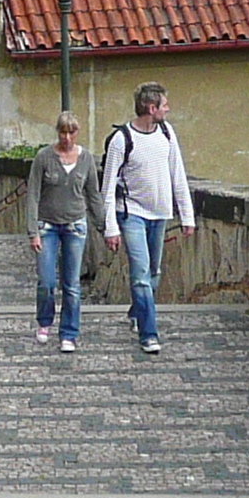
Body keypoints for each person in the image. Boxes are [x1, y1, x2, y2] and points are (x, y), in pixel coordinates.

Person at [97, 82, 195, 355]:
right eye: (164, 105)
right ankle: (148, 334)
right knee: (140, 275)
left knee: (153, 274)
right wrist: (109, 228)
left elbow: (178, 173)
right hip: (132, 214)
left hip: (160, 214)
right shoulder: (122, 140)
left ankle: (136, 312)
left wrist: (187, 216)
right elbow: (107, 186)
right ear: (151, 108)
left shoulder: (166, 133)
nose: (168, 109)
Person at [27, 112, 90, 351]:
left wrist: (106, 227)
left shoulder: (86, 160)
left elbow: (92, 195)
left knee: (72, 284)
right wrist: (32, 230)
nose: (67, 137)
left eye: (71, 132)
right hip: (47, 225)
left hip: (75, 224)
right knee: (46, 280)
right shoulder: (44, 157)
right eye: (63, 132)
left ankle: (69, 333)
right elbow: (32, 195)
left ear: (77, 133)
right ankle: (44, 321)